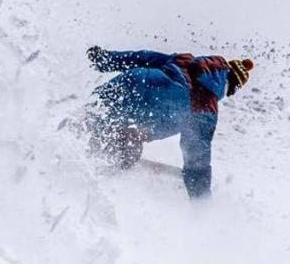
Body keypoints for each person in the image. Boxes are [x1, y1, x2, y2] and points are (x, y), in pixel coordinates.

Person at [83, 47, 254, 198]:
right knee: (125, 148)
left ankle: (75, 129)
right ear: (230, 88)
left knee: (89, 116)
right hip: (138, 116)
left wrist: (105, 59)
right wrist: (201, 200)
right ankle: (90, 171)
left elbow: (142, 57)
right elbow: (197, 156)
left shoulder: (185, 60)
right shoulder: (205, 105)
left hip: (126, 85)